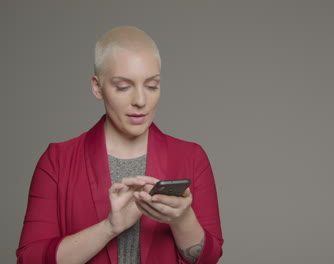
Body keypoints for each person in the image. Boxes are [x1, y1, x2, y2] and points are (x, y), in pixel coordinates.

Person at [16, 26, 223, 264]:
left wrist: (182, 219)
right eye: (123, 87)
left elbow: (208, 259)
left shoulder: (191, 158)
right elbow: (29, 259)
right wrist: (109, 227)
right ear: (97, 87)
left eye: (152, 85)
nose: (140, 101)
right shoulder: (57, 161)